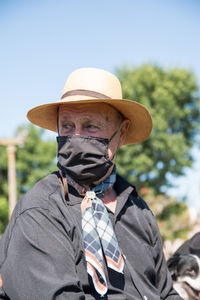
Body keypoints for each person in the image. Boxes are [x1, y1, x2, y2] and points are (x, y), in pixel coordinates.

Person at [0, 68, 182, 299]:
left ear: (122, 132)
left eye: (90, 127)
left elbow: (165, 293)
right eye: (67, 126)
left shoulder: (138, 209)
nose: (76, 138)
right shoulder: (41, 211)